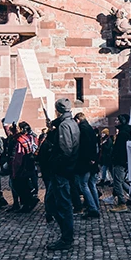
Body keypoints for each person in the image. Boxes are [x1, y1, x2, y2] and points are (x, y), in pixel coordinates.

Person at [37, 98, 80, 251]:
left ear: (58, 110)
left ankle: (66, 237)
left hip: (61, 171)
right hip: (64, 171)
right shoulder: (71, 123)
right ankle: (66, 235)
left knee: (62, 205)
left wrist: (55, 165)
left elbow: (66, 151)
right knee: (52, 204)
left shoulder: (65, 125)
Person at [73, 112, 101, 219]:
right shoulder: (89, 128)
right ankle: (95, 207)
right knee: (91, 185)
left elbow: (85, 146)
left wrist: (89, 159)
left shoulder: (83, 129)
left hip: (85, 162)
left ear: (78, 120)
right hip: (92, 161)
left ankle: (93, 208)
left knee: (83, 185)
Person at [10, 121, 39, 212]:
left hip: (22, 166)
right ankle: (28, 203)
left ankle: (28, 203)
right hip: (28, 165)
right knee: (24, 185)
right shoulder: (26, 138)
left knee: (20, 186)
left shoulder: (20, 141)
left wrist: (15, 169)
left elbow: (18, 157)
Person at [109, 114, 131, 211]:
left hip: (120, 161)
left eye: (117, 120)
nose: (115, 121)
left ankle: (122, 203)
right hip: (122, 161)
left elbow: (120, 149)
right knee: (121, 181)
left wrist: (115, 158)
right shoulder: (126, 132)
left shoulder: (123, 133)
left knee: (117, 182)